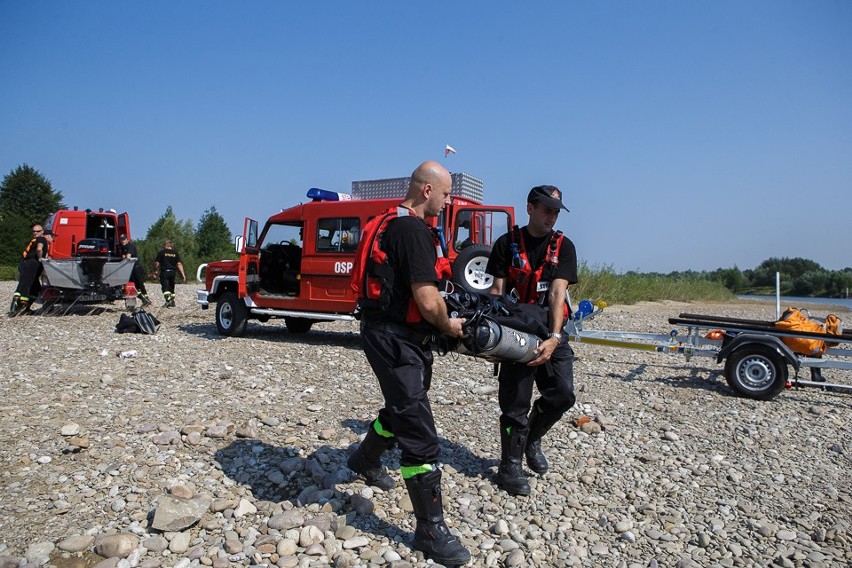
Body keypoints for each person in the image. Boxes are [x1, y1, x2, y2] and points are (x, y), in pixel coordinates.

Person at [347, 161, 470, 565]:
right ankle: (430, 530)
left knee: (404, 406)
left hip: (387, 333)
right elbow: (427, 298)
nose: (449, 201)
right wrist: (449, 325)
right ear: (428, 191)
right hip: (395, 339)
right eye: (447, 194)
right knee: (418, 427)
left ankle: (364, 458)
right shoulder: (414, 230)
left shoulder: (386, 222)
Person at [484, 185, 578, 496]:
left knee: (563, 394)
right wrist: (495, 342)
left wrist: (554, 338)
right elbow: (496, 294)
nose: (551, 216)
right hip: (517, 330)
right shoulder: (505, 244)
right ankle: (510, 466)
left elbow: (556, 293)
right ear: (530, 208)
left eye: (555, 211)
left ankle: (532, 438)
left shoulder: (564, 247)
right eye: (546, 209)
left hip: (550, 329)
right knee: (515, 404)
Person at [10, 224, 50, 315]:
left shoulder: (34, 240)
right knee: (25, 286)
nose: (35, 233)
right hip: (31, 264)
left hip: (24, 264)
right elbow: (39, 249)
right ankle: (15, 308)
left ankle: (25, 308)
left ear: (42, 231)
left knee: (35, 288)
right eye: (34, 231)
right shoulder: (41, 239)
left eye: (37, 231)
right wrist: (41, 258)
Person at [119, 234, 152, 306]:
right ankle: (144, 299)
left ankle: (146, 299)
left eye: (124, 239)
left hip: (135, 268)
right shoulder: (122, 247)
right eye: (121, 239)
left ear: (127, 239)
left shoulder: (130, 246)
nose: (122, 241)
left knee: (140, 284)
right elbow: (123, 257)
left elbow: (127, 257)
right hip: (129, 268)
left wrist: (125, 257)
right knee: (132, 285)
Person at [153, 240, 186, 307]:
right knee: (171, 287)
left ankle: (168, 301)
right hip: (173, 272)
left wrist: (155, 271)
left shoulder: (162, 252)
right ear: (171, 245)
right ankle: (172, 301)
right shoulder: (175, 253)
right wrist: (183, 274)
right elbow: (179, 264)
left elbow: (157, 263)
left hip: (164, 272)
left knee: (165, 287)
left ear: (165, 245)